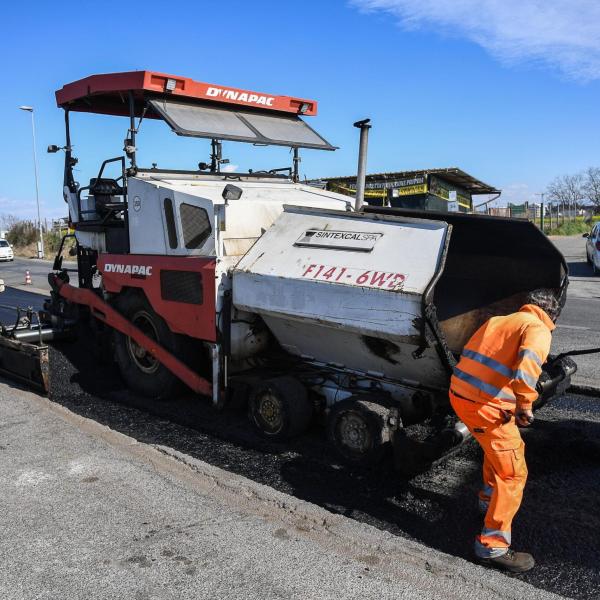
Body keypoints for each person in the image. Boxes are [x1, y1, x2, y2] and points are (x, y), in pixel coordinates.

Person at [449, 289, 561, 573]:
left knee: (499, 449)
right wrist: (525, 405)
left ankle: (488, 501)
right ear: (552, 315)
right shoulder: (537, 328)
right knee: (513, 473)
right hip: (485, 405)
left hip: (461, 395)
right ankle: (492, 545)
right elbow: (527, 370)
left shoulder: (500, 321)